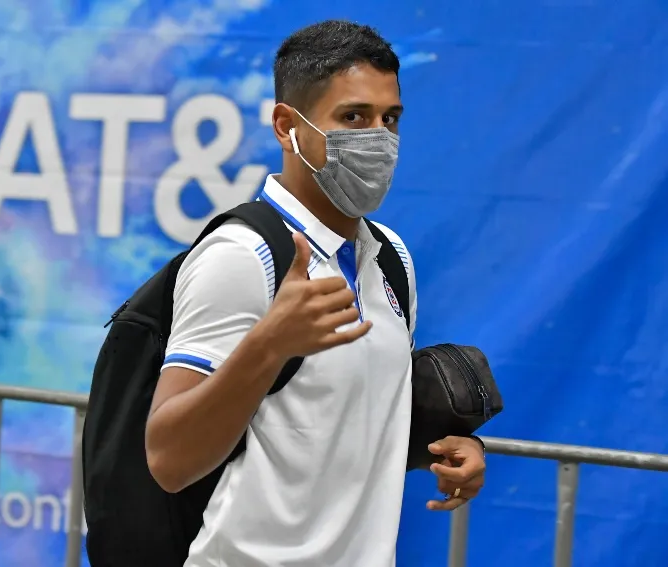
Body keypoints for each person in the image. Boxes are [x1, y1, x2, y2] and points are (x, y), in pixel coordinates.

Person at [144, 20, 486, 566]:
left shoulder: (390, 257)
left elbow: (330, 428)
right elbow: (168, 459)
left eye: (390, 119)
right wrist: (268, 346)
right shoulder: (241, 256)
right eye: (353, 117)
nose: (378, 140)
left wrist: (441, 451)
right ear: (287, 127)